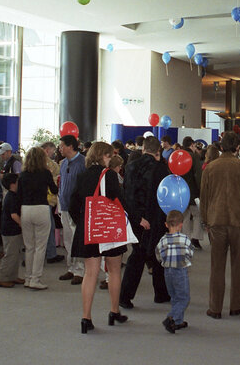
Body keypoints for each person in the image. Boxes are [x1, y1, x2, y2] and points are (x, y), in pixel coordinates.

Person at [200, 131, 240, 319]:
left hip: (216, 221)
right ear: (237, 147)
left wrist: (205, 220)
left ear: (220, 146)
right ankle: (236, 305)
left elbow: (204, 198)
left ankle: (215, 308)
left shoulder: (210, 167)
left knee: (217, 267)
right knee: (238, 266)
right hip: (239, 222)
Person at [69, 142, 128, 333]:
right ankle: (114, 311)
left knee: (90, 273)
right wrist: (138, 218)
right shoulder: (109, 175)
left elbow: (72, 204)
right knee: (114, 271)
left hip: (89, 230)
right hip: (108, 229)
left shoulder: (82, 175)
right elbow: (121, 199)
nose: (111, 159)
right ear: (103, 156)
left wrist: (84, 221)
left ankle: (86, 318)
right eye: (109, 156)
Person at [120, 136, 171, 308]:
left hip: (136, 219)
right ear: (158, 151)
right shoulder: (161, 169)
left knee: (139, 255)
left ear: (143, 149)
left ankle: (127, 296)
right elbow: (165, 198)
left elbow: (127, 196)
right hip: (156, 219)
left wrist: (137, 217)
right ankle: (159, 293)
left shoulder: (130, 167)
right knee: (156, 256)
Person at [17, 147, 58, 290]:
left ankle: (28, 278)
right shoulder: (46, 173)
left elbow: (19, 194)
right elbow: (54, 190)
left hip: (26, 209)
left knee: (29, 247)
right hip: (41, 208)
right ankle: (35, 278)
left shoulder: (22, 175)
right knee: (40, 247)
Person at [156, 210, 194, 333]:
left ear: (166, 224)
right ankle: (171, 317)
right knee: (184, 298)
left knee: (174, 297)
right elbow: (190, 253)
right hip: (180, 272)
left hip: (167, 272)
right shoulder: (185, 239)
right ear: (181, 225)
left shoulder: (162, 240)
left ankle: (177, 321)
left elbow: (158, 255)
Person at [56, 135, 87, 284]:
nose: (60, 148)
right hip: (64, 206)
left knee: (77, 239)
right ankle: (71, 267)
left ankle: (80, 271)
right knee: (67, 239)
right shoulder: (63, 163)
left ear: (70, 146)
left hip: (77, 209)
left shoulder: (82, 162)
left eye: (62, 146)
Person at [0, 173, 24, 288]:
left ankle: (12, 276)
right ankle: (3, 278)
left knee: (15, 254)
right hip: (10, 230)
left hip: (11, 229)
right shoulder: (11, 197)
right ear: (13, 184)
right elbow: (13, 215)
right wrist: (22, 224)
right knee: (10, 254)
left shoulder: (12, 195)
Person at [181, 136, 204, 249]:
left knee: (184, 216)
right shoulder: (194, 157)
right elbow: (198, 175)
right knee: (197, 215)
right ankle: (195, 238)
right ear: (192, 145)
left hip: (181, 191)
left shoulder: (177, 155)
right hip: (193, 191)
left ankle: (185, 239)